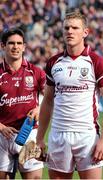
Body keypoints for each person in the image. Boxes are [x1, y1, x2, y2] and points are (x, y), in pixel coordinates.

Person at [36, 10, 103, 179]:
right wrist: (40, 138)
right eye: (66, 28)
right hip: (58, 135)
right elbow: (48, 101)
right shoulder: (53, 62)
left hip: (86, 135)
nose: (70, 31)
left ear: (85, 32)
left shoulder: (97, 62)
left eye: (75, 28)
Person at [0, 28, 46, 179]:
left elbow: (53, 97)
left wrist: (40, 108)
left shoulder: (36, 72)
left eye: (19, 43)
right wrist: (1, 127)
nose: (15, 47)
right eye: (11, 43)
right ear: (3, 46)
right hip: (2, 136)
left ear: (24, 47)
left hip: (30, 135)